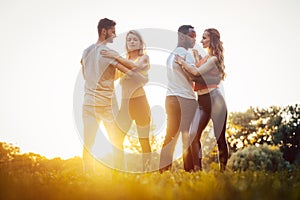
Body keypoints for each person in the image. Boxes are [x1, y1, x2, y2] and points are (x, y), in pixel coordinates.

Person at [80, 18, 133, 173]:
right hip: (106, 106)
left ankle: (88, 178)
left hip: (89, 103)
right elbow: (129, 70)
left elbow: (88, 75)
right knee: (117, 141)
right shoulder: (109, 53)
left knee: (89, 143)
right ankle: (119, 176)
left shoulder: (86, 51)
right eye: (113, 32)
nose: (115, 35)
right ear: (104, 31)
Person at [176, 28, 229, 172]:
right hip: (202, 101)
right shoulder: (204, 58)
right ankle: (197, 171)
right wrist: (194, 57)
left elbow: (196, 72)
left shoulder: (214, 59)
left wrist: (181, 62)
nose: (201, 41)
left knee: (220, 138)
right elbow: (197, 71)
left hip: (215, 100)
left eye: (204, 38)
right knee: (193, 135)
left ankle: (223, 172)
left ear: (212, 40)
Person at [101, 30, 152, 172]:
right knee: (117, 139)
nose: (132, 42)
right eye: (129, 40)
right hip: (125, 105)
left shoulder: (144, 58)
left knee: (144, 140)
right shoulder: (122, 59)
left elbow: (134, 68)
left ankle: (147, 173)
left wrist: (116, 59)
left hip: (140, 103)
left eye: (135, 40)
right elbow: (113, 76)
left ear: (141, 43)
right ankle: (118, 173)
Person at [158, 25, 199, 173]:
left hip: (170, 99)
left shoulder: (170, 55)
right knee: (187, 136)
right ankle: (189, 172)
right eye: (192, 35)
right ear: (182, 36)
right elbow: (194, 75)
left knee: (170, 136)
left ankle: (163, 172)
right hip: (186, 99)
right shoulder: (186, 55)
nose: (195, 39)